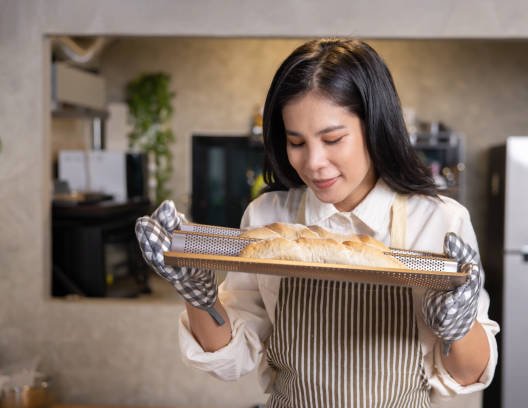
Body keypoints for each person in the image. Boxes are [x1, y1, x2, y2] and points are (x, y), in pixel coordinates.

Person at [136, 38, 499, 407]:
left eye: (332, 139)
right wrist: (199, 298)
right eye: (296, 142)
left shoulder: (438, 221)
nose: (313, 163)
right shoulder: (267, 218)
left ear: (375, 127)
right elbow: (232, 360)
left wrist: (458, 327)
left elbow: (468, 375)